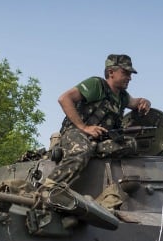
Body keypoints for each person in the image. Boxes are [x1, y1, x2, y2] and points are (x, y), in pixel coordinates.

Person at [43, 54, 151, 188]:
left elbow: (136, 103)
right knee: (81, 151)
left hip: (98, 140)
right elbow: (64, 98)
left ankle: (92, 148)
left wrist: (145, 102)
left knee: (131, 144)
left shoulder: (122, 96)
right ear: (111, 72)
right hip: (76, 132)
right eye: (125, 73)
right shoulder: (96, 85)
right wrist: (84, 127)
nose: (129, 78)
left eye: (130, 74)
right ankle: (49, 188)